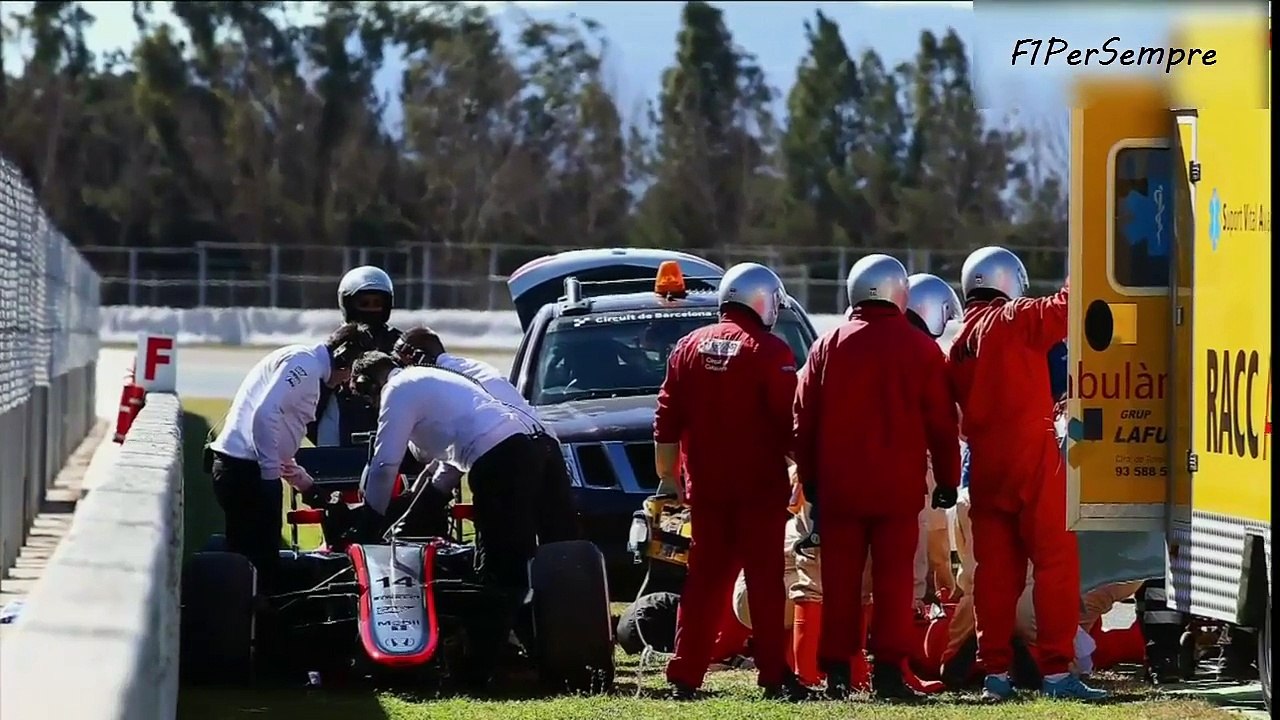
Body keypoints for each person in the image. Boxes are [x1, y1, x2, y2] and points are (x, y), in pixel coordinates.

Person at [792, 254, 960, 700]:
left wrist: (809, 479)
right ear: (898, 291)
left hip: (840, 489)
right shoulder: (921, 349)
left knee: (841, 584)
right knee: (895, 583)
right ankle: (889, 672)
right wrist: (947, 480)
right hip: (898, 490)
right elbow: (943, 426)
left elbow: (802, 419)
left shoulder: (828, 344)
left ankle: (838, 676)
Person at [946, 246, 1105, 702]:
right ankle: (1057, 673)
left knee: (994, 574)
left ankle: (995, 672)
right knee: (1056, 564)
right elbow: (1068, 305)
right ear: (1007, 280)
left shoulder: (959, 344)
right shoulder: (1013, 318)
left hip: (984, 466)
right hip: (1031, 457)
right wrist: (1087, 253)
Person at [653, 262, 807, 702]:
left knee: (703, 581)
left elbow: (665, 416)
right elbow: (788, 426)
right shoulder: (770, 351)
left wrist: (668, 476)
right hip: (758, 488)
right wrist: (812, 470)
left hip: (706, 486)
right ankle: (774, 676)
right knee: (763, 581)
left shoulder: (687, 346)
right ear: (762, 299)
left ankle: (685, 673)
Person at [207, 323, 374, 590]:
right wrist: (270, 478)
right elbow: (264, 417)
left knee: (255, 568)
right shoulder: (304, 366)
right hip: (245, 474)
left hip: (243, 471)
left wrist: (307, 486)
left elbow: (275, 441)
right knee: (257, 573)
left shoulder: (304, 364)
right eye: (350, 374)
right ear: (343, 357)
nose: (347, 383)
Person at [392, 326, 580, 543]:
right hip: (547, 445)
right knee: (561, 541)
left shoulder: (444, 382)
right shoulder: (472, 367)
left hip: (511, 455)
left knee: (504, 549)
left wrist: (421, 508)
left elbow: (466, 447)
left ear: (416, 358)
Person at [904, 273, 964, 603]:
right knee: (915, 567)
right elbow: (948, 425)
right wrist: (948, 480)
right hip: (914, 475)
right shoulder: (928, 355)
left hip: (850, 476)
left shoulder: (852, 339)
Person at [308, 266, 403, 448]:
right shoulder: (334, 345)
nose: (372, 309)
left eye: (377, 303)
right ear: (348, 304)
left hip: (390, 430)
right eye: (365, 303)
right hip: (340, 429)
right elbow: (308, 404)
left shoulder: (400, 343)